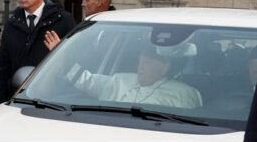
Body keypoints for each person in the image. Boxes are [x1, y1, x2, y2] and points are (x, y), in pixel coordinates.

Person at [0, 0, 76, 105]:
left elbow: (76, 60)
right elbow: (3, 66)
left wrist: (59, 52)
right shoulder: (11, 23)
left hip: (53, 101)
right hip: (17, 98)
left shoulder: (63, 20)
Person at [68, 46, 202, 108]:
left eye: (148, 62)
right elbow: (86, 80)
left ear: (165, 67)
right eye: (140, 62)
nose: (140, 67)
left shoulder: (185, 94)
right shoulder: (120, 80)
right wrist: (65, 59)